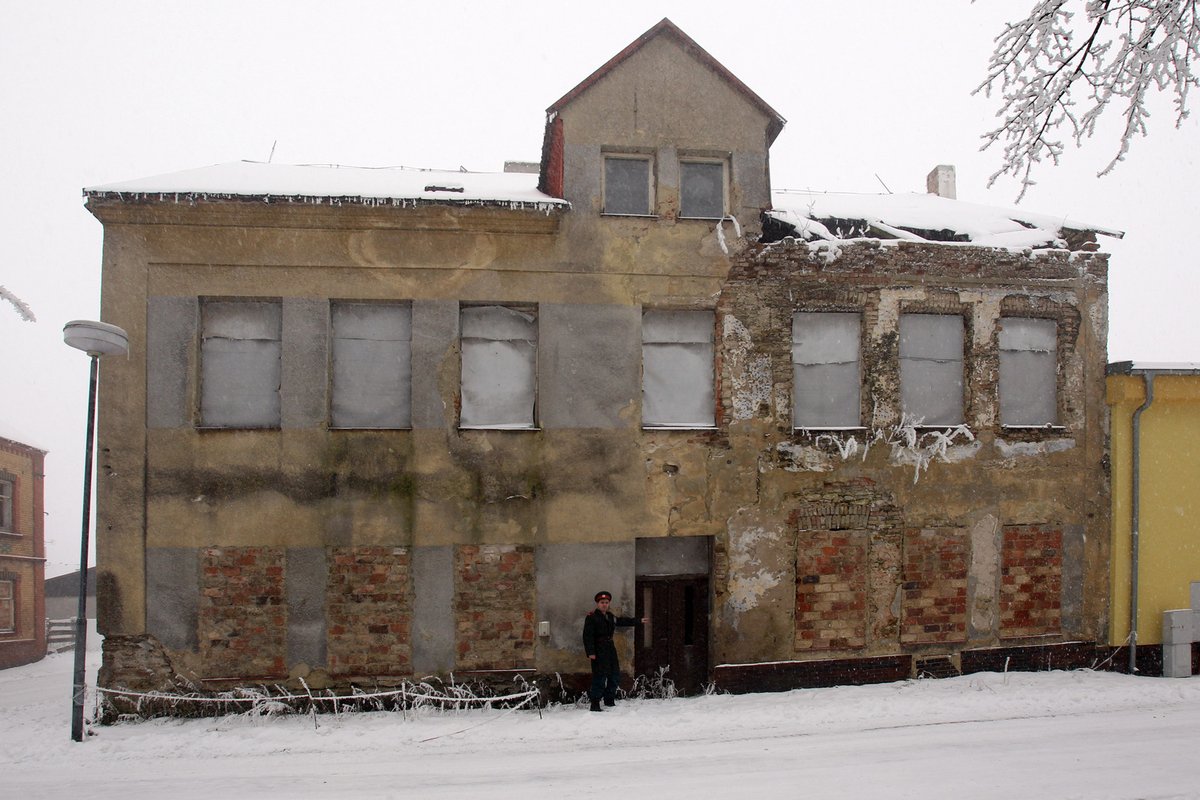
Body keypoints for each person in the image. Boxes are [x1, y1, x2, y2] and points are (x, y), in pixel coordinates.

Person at [582, 590, 643, 712]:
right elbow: (587, 636)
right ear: (598, 604)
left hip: (610, 649)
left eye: (606, 602)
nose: (604, 604)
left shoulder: (610, 617)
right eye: (602, 602)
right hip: (599, 650)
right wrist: (591, 652)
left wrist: (638, 621)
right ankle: (595, 703)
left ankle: (609, 700)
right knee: (599, 677)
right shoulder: (592, 617)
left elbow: (621, 621)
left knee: (614, 675)